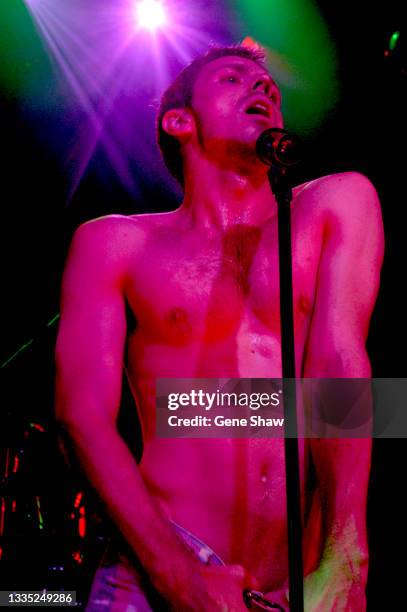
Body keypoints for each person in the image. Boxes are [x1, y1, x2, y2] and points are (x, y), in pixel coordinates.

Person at [55, 44, 384, 611]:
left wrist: (347, 555)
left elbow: (339, 368)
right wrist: (178, 575)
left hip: (298, 581)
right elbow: (81, 416)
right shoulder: (114, 242)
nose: (263, 90)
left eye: (270, 89)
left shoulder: (337, 203)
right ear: (179, 121)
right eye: (234, 80)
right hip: (161, 559)